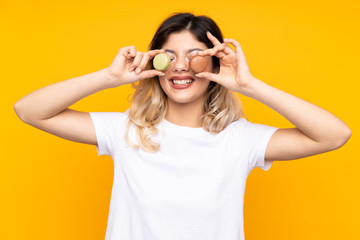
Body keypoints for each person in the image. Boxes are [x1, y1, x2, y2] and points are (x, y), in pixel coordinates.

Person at [14, 12, 351, 240]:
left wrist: (248, 85)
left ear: (215, 64)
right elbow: (29, 110)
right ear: (155, 64)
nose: (181, 67)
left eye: (194, 56)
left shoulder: (240, 140)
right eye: (169, 56)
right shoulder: (127, 131)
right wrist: (110, 77)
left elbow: (335, 134)